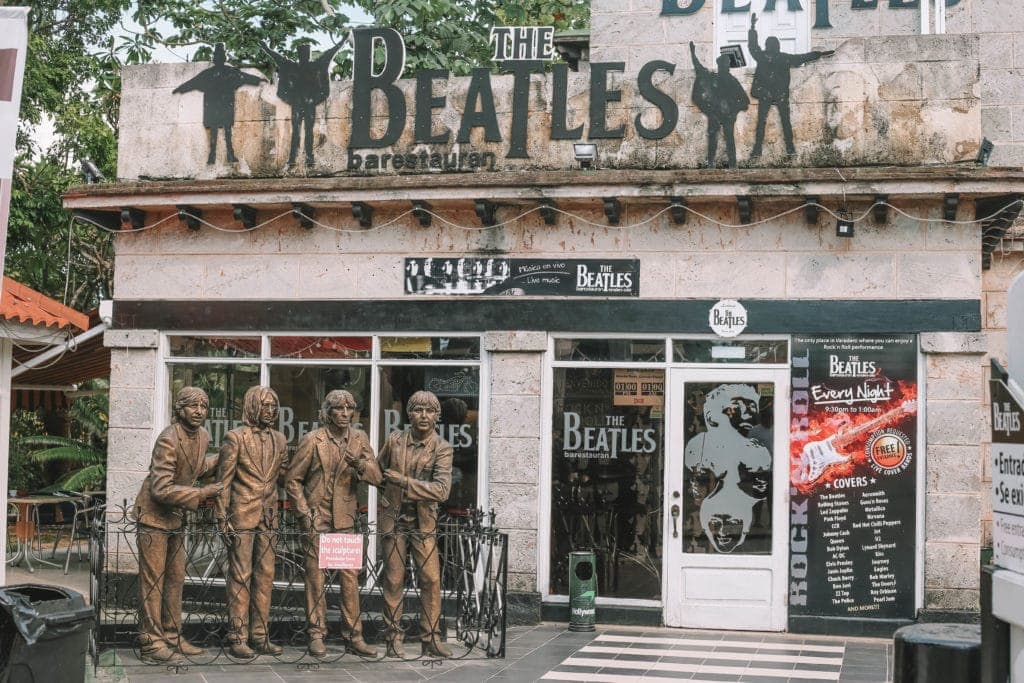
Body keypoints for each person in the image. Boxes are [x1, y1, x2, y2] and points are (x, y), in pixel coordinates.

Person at [284, 390, 381, 659]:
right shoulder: (312, 440)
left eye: (350, 408)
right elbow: (292, 480)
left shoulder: (359, 439)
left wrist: (359, 463)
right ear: (328, 412)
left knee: (350, 578)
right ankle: (316, 634)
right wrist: (305, 515)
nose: (345, 414)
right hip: (318, 518)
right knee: (315, 577)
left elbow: (376, 476)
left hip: (345, 519)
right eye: (339, 409)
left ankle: (354, 636)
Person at [133, 387, 223, 665]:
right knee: (154, 582)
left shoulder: (204, 436)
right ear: (179, 409)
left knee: (175, 579)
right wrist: (202, 494)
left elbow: (195, 468)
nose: (199, 411)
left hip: (175, 518)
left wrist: (224, 456)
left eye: (204, 406)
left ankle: (172, 635)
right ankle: (151, 641)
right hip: (153, 517)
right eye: (193, 406)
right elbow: (160, 489)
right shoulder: (168, 439)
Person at [377, 390, 453, 659]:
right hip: (395, 521)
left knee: (431, 579)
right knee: (394, 580)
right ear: (409, 414)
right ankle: (393, 638)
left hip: (423, 524)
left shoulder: (441, 448)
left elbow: (442, 490)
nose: (424, 416)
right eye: (418, 410)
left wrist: (404, 482)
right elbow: (378, 473)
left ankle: (430, 638)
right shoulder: (395, 440)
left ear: (437, 416)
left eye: (429, 411)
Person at [215, 386, 289, 658]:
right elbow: (223, 483)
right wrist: (222, 518)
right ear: (252, 406)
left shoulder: (280, 439)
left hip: (268, 517)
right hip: (242, 514)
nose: (270, 410)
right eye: (265, 405)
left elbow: (283, 476)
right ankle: (238, 636)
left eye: (273, 406)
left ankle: (260, 635)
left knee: (266, 575)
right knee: (240, 575)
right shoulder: (234, 438)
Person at [683, 383, 771, 553]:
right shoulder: (698, 447)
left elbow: (760, 490)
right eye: (736, 409)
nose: (748, 415)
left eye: (752, 408)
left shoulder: (757, 452)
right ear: (712, 417)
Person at [747, 13, 833, 160]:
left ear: (767, 46)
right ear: (777, 46)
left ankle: (757, 151)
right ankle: (790, 149)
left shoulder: (761, 56)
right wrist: (820, 54)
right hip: (779, 95)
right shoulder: (785, 58)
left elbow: (752, 45)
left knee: (761, 123)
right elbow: (804, 57)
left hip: (766, 94)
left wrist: (753, 27)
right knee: (785, 122)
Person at [172, 43, 265, 165]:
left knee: (224, 130)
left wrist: (258, 80)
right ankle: (219, 155)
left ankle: (224, 154)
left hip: (221, 104)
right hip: (217, 104)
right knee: (219, 130)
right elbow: (193, 82)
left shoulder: (223, 72)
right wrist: (180, 88)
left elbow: (245, 76)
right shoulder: (221, 72)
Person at [261, 39, 347, 167]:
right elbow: (278, 58)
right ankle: (292, 158)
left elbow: (330, 53)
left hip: (309, 104)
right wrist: (266, 49)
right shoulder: (293, 67)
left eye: (306, 53)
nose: (305, 56)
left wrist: (343, 41)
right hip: (297, 104)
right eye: (302, 53)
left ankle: (309, 158)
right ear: (300, 55)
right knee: (296, 132)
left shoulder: (315, 66)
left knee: (308, 132)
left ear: (309, 54)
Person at [690, 41, 749, 169]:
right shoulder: (713, 78)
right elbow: (699, 68)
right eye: (722, 65)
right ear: (719, 66)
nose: (724, 67)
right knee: (712, 139)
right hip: (715, 114)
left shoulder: (732, 81)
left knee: (729, 140)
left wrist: (733, 111)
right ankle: (711, 163)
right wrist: (693, 54)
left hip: (728, 116)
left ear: (728, 66)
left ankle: (732, 164)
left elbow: (745, 102)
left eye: (726, 65)